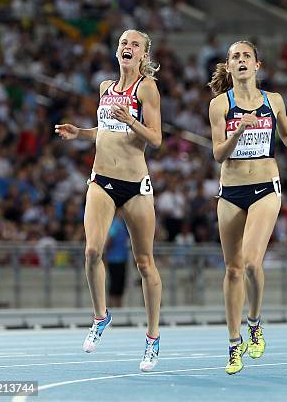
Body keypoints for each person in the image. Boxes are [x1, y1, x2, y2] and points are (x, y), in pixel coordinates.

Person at [55, 29, 163, 371]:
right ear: (117, 51)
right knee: (90, 251)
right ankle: (101, 316)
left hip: (134, 185)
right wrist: (82, 133)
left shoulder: (146, 87)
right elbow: (105, 130)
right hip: (101, 180)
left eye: (134, 45)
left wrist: (133, 119)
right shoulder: (105, 87)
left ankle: (152, 338)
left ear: (144, 54)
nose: (127, 48)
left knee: (144, 263)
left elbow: (156, 138)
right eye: (123, 43)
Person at [208, 40, 287, 374]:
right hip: (231, 191)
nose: (240, 60)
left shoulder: (273, 100)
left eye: (245, 56)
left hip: (266, 186)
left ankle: (255, 323)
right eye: (234, 56)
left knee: (252, 263)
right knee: (233, 269)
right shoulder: (220, 104)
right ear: (229, 64)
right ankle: (234, 344)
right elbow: (219, 153)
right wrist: (239, 130)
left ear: (256, 65)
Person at [105, 217, 129, 308]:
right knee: (114, 284)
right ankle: (111, 307)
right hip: (114, 259)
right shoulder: (115, 223)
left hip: (122, 258)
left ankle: (119, 307)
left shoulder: (123, 224)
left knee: (120, 285)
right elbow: (109, 239)